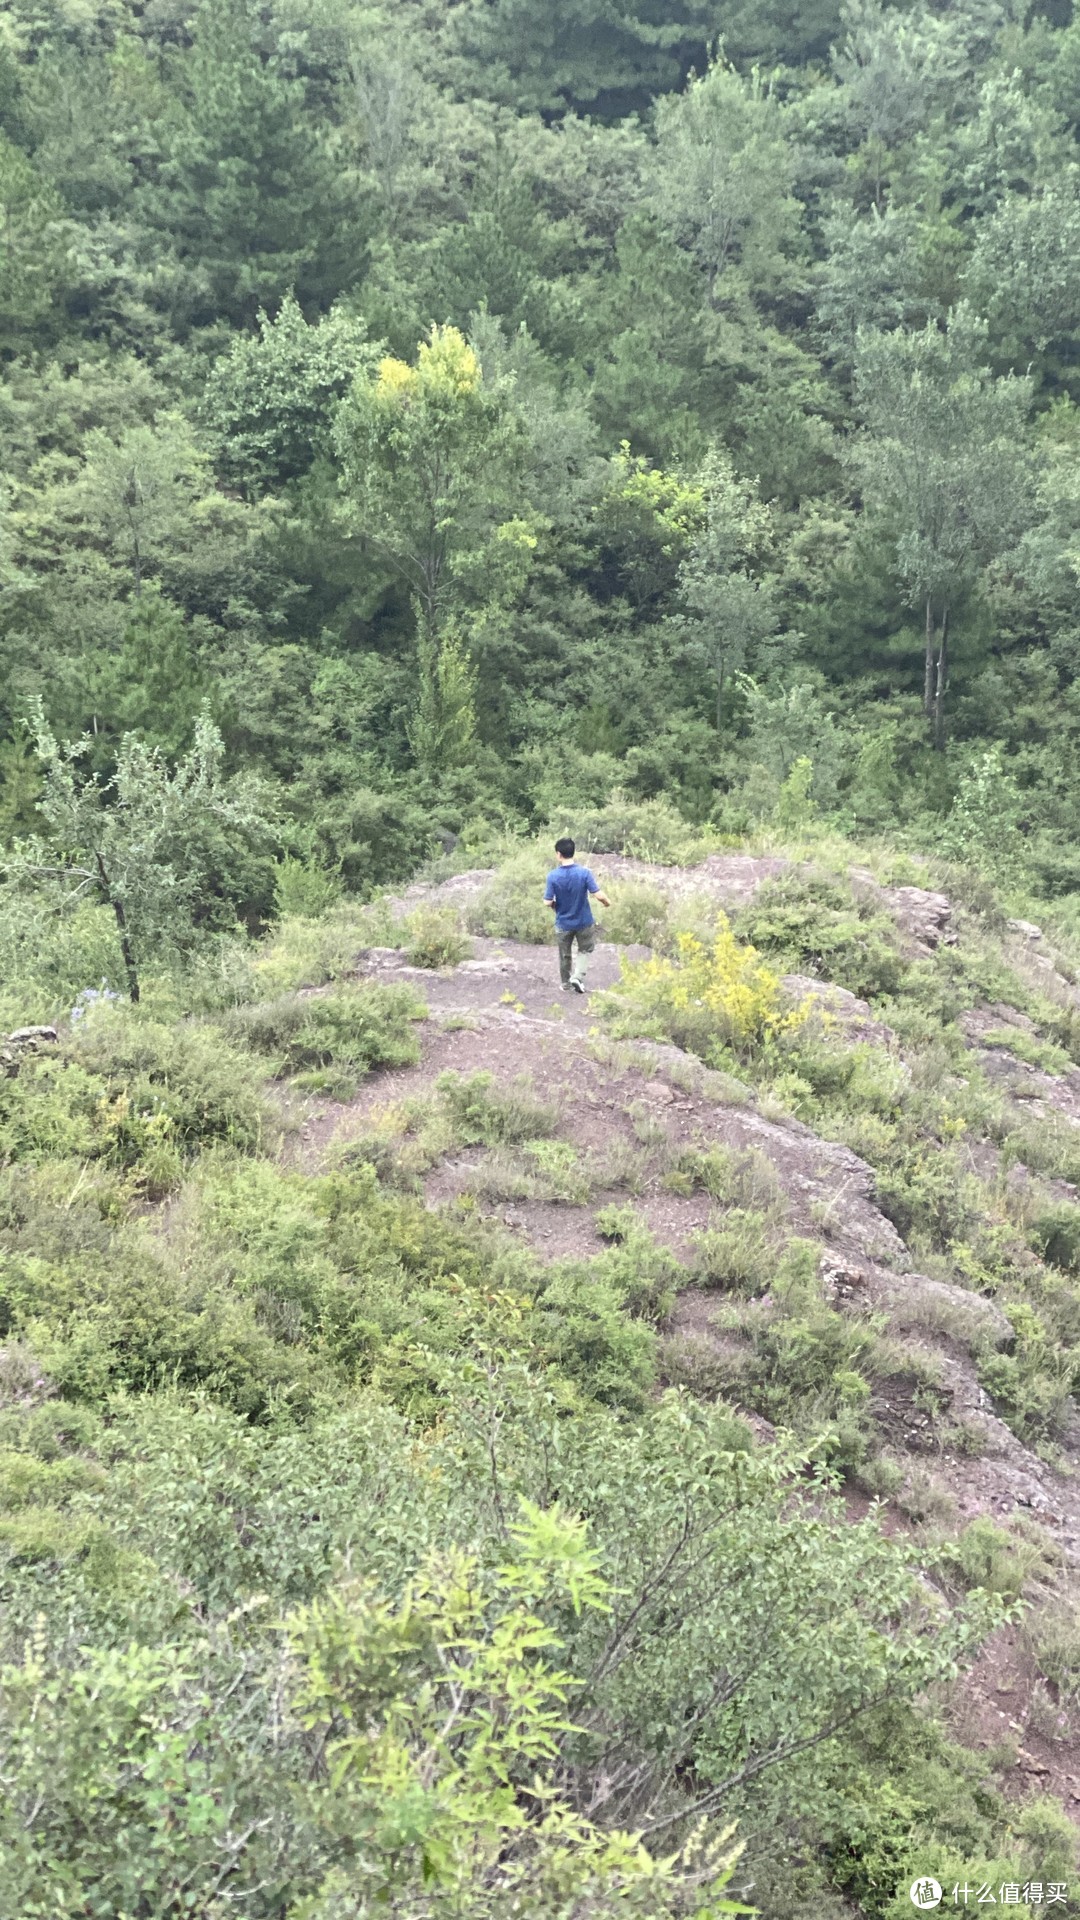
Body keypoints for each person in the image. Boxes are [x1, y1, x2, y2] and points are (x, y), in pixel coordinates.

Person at [543, 837, 610, 994]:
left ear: (558, 854)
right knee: (585, 950)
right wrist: (607, 903)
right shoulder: (584, 873)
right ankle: (578, 977)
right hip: (584, 921)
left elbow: (547, 902)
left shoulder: (552, 876)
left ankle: (566, 984)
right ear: (574, 852)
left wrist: (555, 907)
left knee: (564, 954)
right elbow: (598, 895)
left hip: (563, 923)